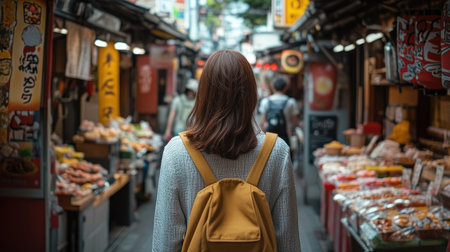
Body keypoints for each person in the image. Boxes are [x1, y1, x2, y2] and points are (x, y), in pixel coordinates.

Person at [152, 50, 300, 251]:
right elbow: (288, 241)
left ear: (203, 94)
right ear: (251, 95)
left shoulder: (176, 152)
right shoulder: (277, 151)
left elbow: (165, 240)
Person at [259, 77, 299, 147]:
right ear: (285, 88)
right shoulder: (291, 102)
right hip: (286, 138)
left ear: (273, 88)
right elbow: (295, 122)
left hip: (269, 139)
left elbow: (262, 123)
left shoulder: (265, 101)